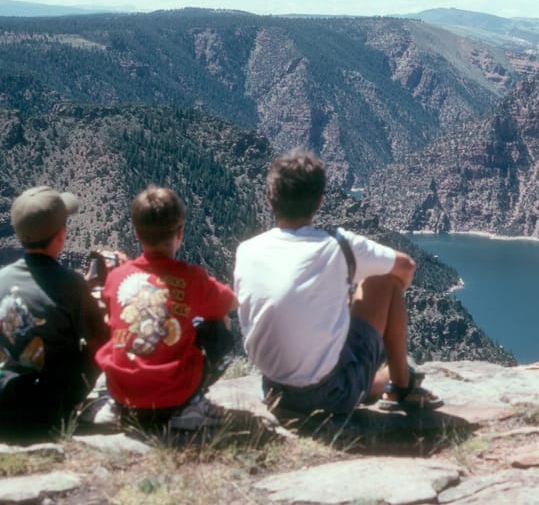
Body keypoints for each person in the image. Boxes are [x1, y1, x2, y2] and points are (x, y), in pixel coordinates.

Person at [234, 149, 442, 415]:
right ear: (320, 201)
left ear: (271, 200)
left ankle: (379, 378)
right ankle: (401, 386)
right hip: (328, 396)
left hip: (273, 389)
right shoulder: (338, 246)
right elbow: (406, 267)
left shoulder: (247, 249)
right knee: (382, 281)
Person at [95, 186, 237, 430]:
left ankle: (112, 403)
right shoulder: (192, 278)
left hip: (123, 393)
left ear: (137, 234)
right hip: (172, 397)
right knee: (220, 323)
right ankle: (191, 402)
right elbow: (230, 302)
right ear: (180, 233)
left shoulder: (117, 275)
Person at [0, 186, 108, 430]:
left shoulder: (2, 278)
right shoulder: (71, 283)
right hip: (49, 407)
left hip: (5, 398)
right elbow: (100, 340)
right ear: (61, 235)